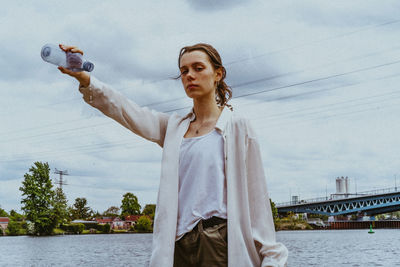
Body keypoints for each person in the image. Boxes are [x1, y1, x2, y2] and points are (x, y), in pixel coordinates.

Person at [59, 43, 288, 267]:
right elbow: (128, 111)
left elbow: (257, 199)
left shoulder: (237, 128)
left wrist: (271, 256)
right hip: (178, 243)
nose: (190, 76)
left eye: (198, 68)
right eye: (184, 71)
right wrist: (85, 79)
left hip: (217, 241)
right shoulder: (174, 128)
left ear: (218, 74)